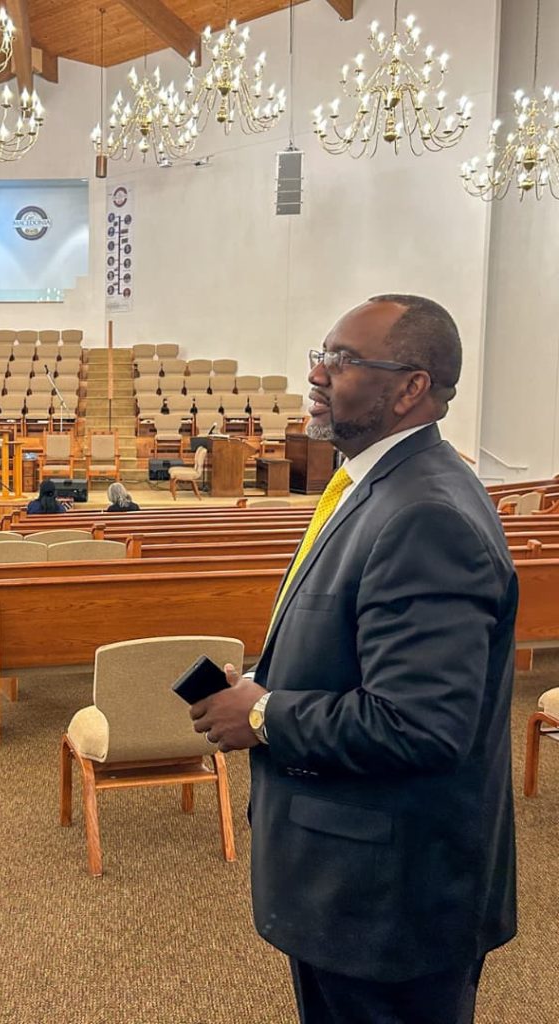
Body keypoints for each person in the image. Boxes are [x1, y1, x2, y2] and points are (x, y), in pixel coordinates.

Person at [190, 295, 517, 1024]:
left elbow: (423, 723)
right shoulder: (378, 486)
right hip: (361, 887)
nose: (315, 373)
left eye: (341, 361)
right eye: (322, 353)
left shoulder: (425, 512)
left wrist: (266, 713)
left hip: (389, 901)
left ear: (410, 388)